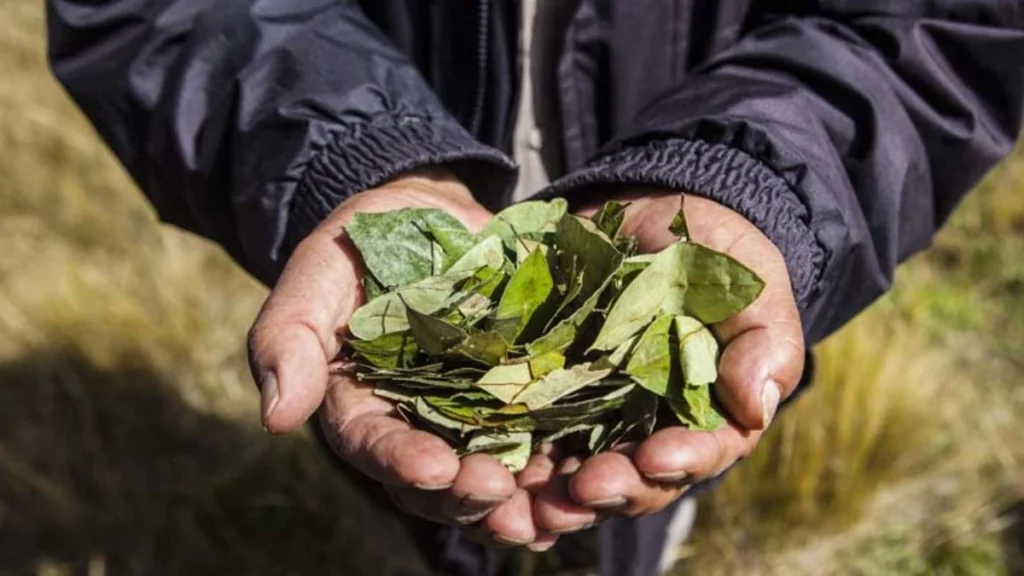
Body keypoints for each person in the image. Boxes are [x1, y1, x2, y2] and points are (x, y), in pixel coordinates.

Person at [46, 1, 1024, 574]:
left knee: (626, 516)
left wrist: (755, 174)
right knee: (433, 509)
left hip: (649, 389)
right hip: (426, 366)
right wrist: (351, 151)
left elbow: (940, 23)